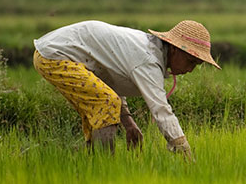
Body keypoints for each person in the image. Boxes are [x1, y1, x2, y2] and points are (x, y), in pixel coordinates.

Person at [32, 19, 220, 158]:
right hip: (54, 56)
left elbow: (109, 79)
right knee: (106, 104)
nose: (190, 69)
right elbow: (161, 111)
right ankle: (105, 169)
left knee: (101, 103)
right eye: (190, 61)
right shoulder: (148, 60)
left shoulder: (148, 51)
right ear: (175, 49)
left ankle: (86, 162)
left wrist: (128, 122)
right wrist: (185, 153)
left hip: (57, 54)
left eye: (196, 64)